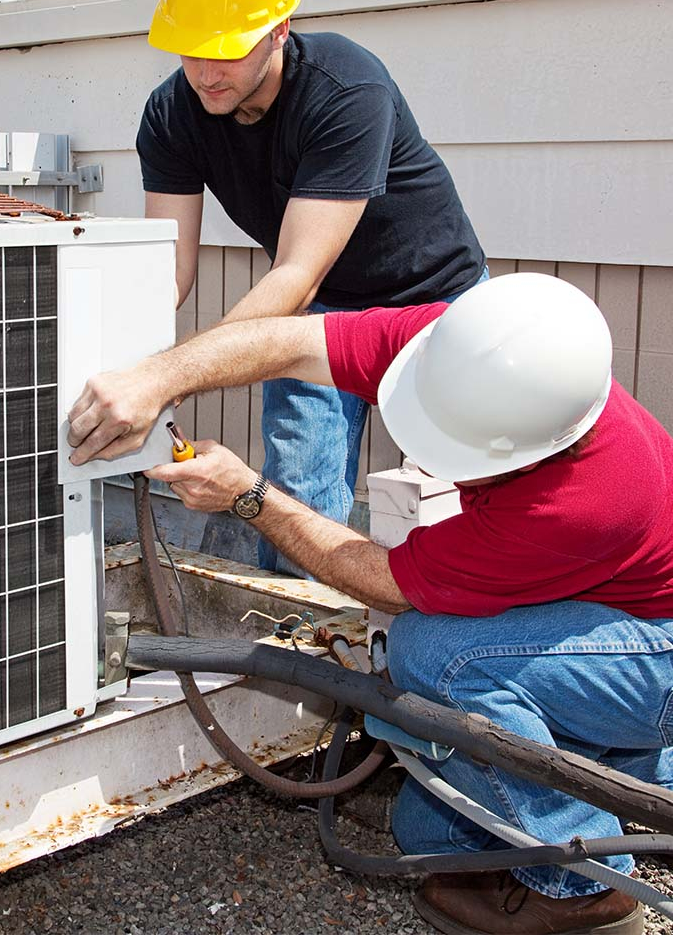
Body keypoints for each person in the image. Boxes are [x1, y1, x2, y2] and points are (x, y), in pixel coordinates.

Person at [67, 273, 673, 935]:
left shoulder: (581, 504)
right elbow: (288, 341)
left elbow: (384, 581)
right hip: (605, 614)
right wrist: (159, 377)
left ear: (532, 454)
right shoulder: (463, 346)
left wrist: (248, 494)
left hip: (655, 648)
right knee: (422, 830)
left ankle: (581, 890)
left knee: (436, 658)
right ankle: (620, 764)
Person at [139, 0, 487, 572]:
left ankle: (458, 641)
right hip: (321, 310)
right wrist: (129, 360)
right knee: (295, 492)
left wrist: (170, 376)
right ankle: (299, 652)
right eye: (192, 48)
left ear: (278, 30)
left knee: (474, 485)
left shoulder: (345, 87)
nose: (208, 72)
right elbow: (170, 268)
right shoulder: (171, 113)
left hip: (437, 304)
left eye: (230, 48)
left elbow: (295, 271)